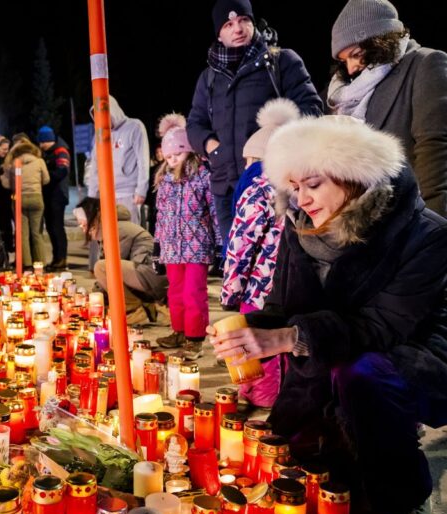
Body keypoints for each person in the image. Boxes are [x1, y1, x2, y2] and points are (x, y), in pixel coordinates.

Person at [208, 115, 447, 514]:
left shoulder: (425, 234)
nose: (301, 198)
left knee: (361, 373)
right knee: (299, 464)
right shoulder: (301, 227)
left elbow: (380, 327)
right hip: (342, 343)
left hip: (412, 350)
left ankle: (407, 494)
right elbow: (285, 308)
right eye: (294, 186)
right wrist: (251, 332)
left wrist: (288, 338)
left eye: (313, 184)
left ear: (353, 176)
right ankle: (344, 455)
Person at [186, 0, 322, 256]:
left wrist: (273, 143)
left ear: (253, 23)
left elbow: (312, 108)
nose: (238, 28)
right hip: (226, 187)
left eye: (243, 20)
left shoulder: (281, 61)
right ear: (219, 34)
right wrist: (213, 148)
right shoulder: (208, 77)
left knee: (277, 263)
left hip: (273, 185)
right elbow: (194, 124)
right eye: (228, 25)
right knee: (236, 262)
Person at [327, 0, 447, 216]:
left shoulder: (425, 63)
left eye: (355, 54)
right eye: (344, 61)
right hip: (364, 217)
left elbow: (433, 147)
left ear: (379, 41)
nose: (351, 68)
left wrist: (432, 221)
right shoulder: (346, 92)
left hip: (409, 214)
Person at [220, 98, 300, 407]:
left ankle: (260, 397)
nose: (245, 168)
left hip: (257, 286)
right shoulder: (296, 186)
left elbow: (240, 245)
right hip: (288, 282)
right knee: (277, 342)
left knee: (253, 339)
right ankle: (272, 393)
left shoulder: (256, 189)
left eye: (249, 160)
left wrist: (231, 289)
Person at [152, 114, 218, 358]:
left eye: (177, 154)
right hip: (171, 247)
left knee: (193, 292)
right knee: (175, 291)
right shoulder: (165, 181)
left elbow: (214, 210)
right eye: (168, 156)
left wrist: (220, 245)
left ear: (188, 151)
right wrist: (158, 246)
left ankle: (195, 337)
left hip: (196, 246)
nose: (172, 160)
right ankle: (179, 330)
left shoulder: (202, 176)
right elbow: (161, 216)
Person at [75, 197, 168, 324]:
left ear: (91, 217)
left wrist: (95, 297)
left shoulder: (117, 229)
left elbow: (111, 270)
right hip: (147, 273)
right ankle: (146, 306)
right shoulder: (112, 227)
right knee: (104, 268)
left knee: (101, 267)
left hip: (153, 275)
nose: (82, 227)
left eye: (83, 223)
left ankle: (133, 309)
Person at [86, 95, 150, 226]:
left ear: (112, 111)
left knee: (130, 233)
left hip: (128, 194)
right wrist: (92, 195)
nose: (101, 121)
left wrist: (141, 190)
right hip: (106, 195)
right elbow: (95, 166)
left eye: (104, 116)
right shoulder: (100, 135)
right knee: (109, 235)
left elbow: (143, 160)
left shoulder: (134, 126)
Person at [1, 138, 49, 268]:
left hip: (20, 200)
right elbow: (46, 180)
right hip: (36, 198)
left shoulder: (14, 163)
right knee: (37, 233)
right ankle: (40, 264)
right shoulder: (39, 161)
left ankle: (26, 264)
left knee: (23, 234)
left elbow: (7, 185)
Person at [38, 125, 71, 271]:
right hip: (49, 195)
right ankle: (56, 258)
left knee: (57, 228)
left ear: (47, 141)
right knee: (51, 228)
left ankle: (61, 259)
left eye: (42, 142)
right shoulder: (48, 152)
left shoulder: (60, 151)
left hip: (58, 195)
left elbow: (62, 171)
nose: (40, 145)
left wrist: (45, 177)